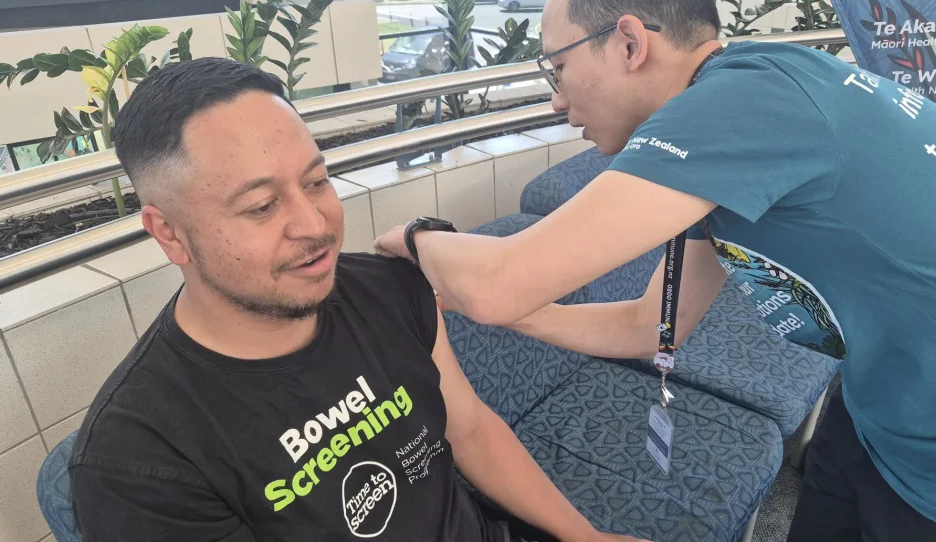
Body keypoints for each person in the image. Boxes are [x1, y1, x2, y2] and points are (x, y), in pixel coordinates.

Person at [374, 0, 936, 541]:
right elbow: (649, 326)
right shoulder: (737, 106)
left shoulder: (732, 109)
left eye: (556, 68)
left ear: (630, 43)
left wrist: (417, 236)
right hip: (889, 399)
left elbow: (497, 283)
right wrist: (523, 311)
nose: (555, 100)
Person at [69, 57, 642, 542]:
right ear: (169, 233)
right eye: (261, 207)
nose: (314, 224)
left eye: (316, 182)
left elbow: (468, 429)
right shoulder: (140, 458)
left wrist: (584, 535)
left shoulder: (389, 288)